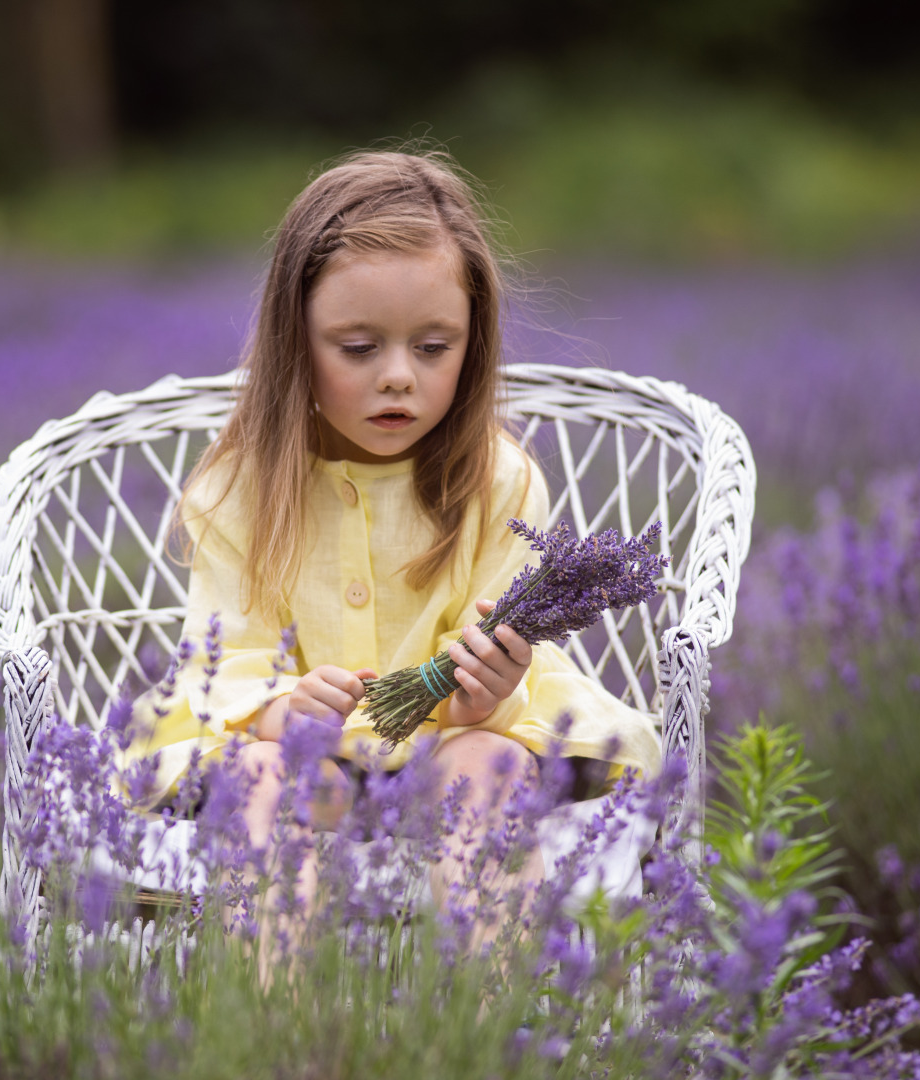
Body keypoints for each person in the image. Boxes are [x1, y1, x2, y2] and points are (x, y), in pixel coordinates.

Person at [119, 147, 663, 961]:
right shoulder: (241, 490)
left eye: (432, 348)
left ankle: (484, 1031)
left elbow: (497, 653)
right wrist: (279, 710)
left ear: (471, 343)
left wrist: (485, 696)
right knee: (264, 778)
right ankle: (285, 1031)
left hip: (449, 752)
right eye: (359, 347)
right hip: (309, 770)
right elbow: (223, 655)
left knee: (491, 771)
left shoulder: (497, 483)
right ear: (294, 338)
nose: (399, 378)